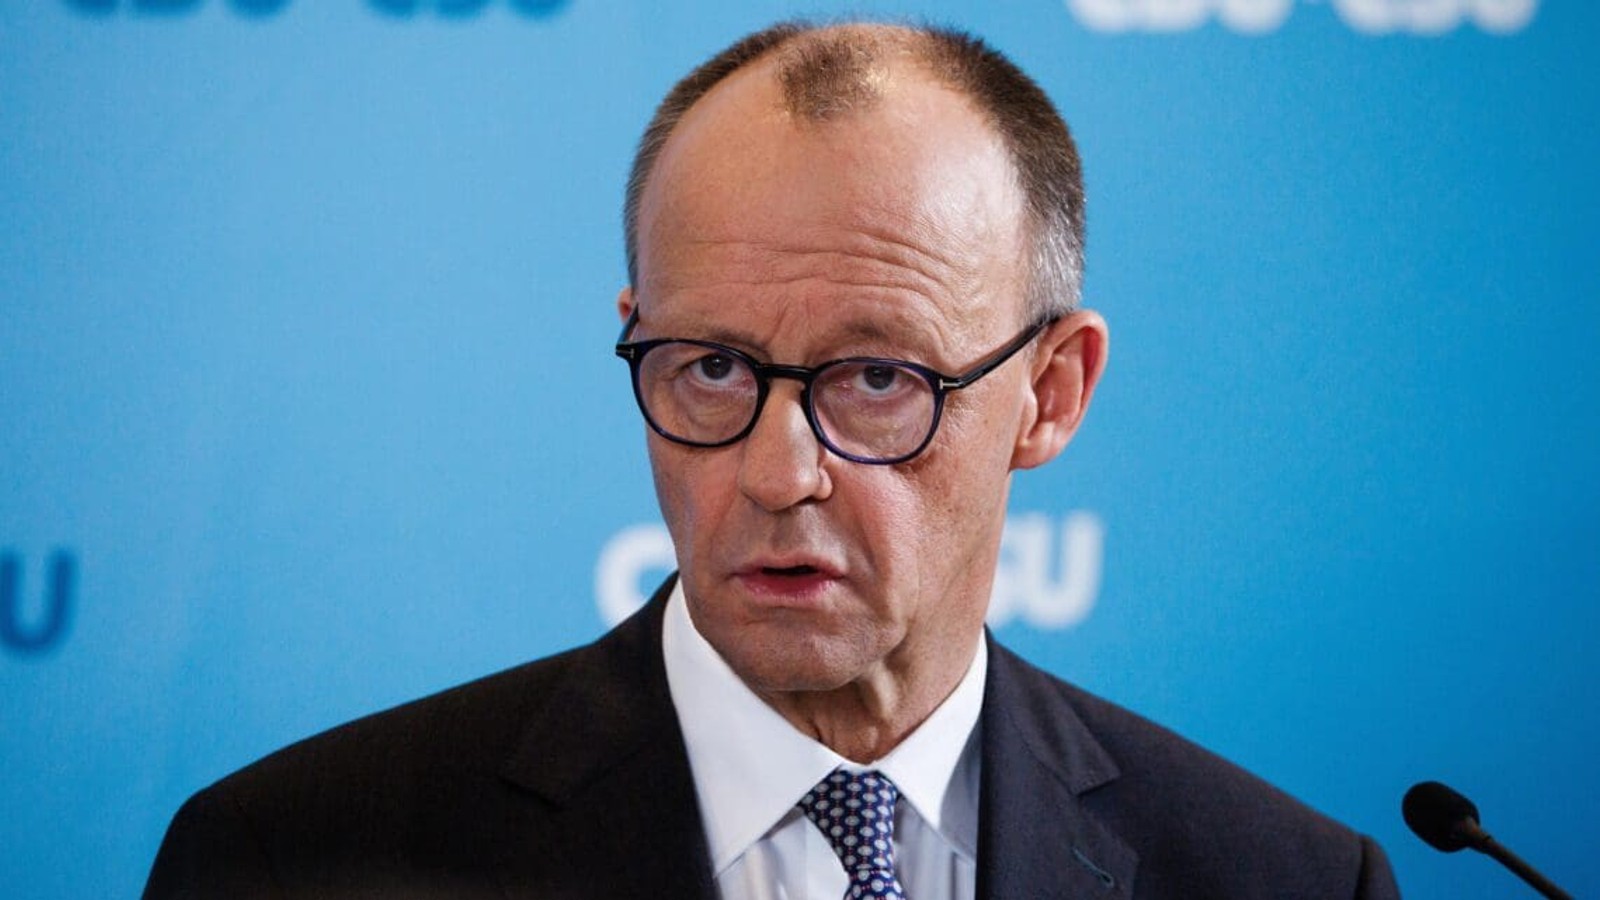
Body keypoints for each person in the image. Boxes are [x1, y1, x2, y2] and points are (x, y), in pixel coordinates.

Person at [144, 19, 1401, 900]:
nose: (775, 473)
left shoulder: (1278, 880)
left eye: (878, 380)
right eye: (711, 368)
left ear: (1049, 393)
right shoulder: (290, 860)